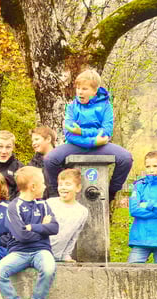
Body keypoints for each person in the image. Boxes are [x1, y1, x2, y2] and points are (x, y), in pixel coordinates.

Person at [0, 166, 59, 299]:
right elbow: (22, 236)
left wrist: (32, 227)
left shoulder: (43, 204)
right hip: (19, 252)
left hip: (41, 250)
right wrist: (42, 228)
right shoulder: (13, 207)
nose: (45, 186)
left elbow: (54, 228)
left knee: (49, 268)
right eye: (42, 183)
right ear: (33, 186)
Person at [44, 69, 133, 202]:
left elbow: (106, 131)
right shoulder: (71, 107)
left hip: (101, 146)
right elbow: (69, 133)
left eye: (84, 89)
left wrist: (82, 132)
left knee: (126, 158)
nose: (80, 92)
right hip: (76, 145)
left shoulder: (106, 106)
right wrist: (92, 141)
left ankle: (111, 192)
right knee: (49, 159)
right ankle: (57, 195)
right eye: (78, 88)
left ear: (95, 91)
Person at [46, 169, 89, 262]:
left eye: (68, 184)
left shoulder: (82, 212)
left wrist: (66, 255)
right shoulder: (49, 204)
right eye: (60, 184)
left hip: (58, 256)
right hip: (40, 253)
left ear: (78, 188)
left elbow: (74, 236)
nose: (63, 187)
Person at [27, 126, 56, 199]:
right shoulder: (32, 164)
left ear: (48, 139)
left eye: (36, 139)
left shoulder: (61, 160)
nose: (33, 143)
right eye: (32, 141)